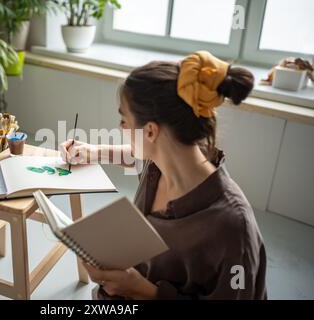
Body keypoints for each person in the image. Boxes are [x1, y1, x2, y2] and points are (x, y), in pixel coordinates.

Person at [59, 51, 267, 300]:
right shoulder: (159, 164)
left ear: (150, 132)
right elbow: (138, 155)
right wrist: (95, 151)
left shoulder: (233, 229)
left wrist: (143, 291)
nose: (121, 128)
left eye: (123, 120)